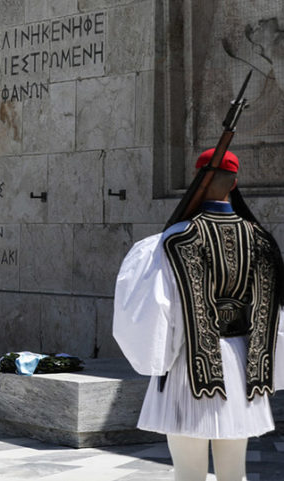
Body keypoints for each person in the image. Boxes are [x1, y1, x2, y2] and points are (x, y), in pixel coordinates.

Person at [113, 149, 284, 481]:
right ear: (234, 183)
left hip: (188, 369)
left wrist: (158, 361)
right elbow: (274, 316)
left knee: (188, 474)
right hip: (242, 369)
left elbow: (154, 313)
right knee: (234, 473)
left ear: (197, 181)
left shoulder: (172, 241)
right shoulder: (262, 241)